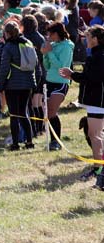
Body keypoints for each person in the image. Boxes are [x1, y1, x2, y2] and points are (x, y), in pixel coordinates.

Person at [59, 25, 104, 189]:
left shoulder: (98, 56)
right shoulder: (96, 55)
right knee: (97, 135)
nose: (85, 39)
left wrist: (72, 74)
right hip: (97, 101)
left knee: (95, 136)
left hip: (98, 102)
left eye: (88, 36)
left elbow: (93, 77)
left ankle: (98, 170)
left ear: (96, 39)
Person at [0, 22, 37, 151]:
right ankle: (29, 142)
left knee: (14, 115)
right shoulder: (27, 43)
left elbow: (4, 69)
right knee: (24, 112)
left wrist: (0, 86)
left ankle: (15, 144)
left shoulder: (8, 47)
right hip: (28, 83)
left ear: (7, 33)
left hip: (13, 84)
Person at [41, 22, 74, 151]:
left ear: (56, 33)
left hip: (61, 82)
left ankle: (56, 141)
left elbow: (62, 66)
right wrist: (45, 54)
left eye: (50, 34)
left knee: (51, 111)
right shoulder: (52, 46)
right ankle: (53, 139)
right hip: (49, 81)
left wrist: (49, 53)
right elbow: (48, 66)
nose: (49, 37)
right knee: (48, 113)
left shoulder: (67, 46)